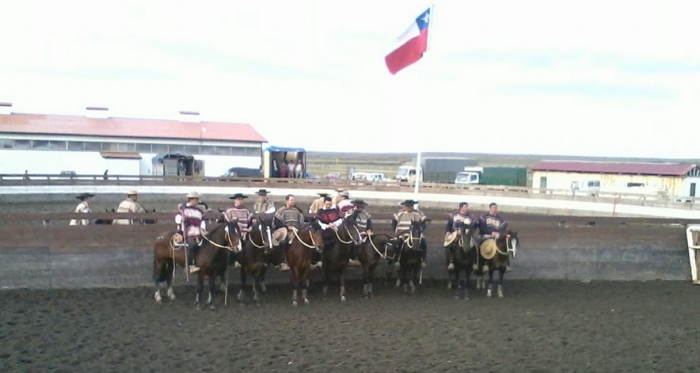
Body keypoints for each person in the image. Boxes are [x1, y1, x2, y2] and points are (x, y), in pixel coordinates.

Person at [271, 194, 306, 271]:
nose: (293, 201)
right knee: (283, 243)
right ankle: (283, 262)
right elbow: (276, 223)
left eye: (294, 200)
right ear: (287, 201)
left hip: (296, 231)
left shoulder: (297, 211)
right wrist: (287, 227)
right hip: (285, 232)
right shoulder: (281, 211)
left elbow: (301, 221)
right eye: (291, 200)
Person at [175, 191, 207, 274]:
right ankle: (189, 266)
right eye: (197, 199)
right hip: (189, 233)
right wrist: (180, 230)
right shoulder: (184, 209)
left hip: (198, 233)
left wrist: (203, 229)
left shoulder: (199, 211)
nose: (198, 201)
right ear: (192, 200)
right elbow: (178, 219)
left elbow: (202, 221)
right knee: (192, 245)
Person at [391, 199, 428, 268]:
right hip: (402, 233)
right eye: (407, 206)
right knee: (396, 244)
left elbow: (423, 223)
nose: (409, 208)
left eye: (410, 206)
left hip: (416, 234)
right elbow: (394, 223)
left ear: (413, 206)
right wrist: (397, 232)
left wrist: (420, 230)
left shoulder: (419, 213)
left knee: (423, 243)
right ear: (405, 206)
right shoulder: (399, 213)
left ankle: (423, 260)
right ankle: (397, 260)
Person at [444, 202, 477, 271]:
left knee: (474, 246)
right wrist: (447, 232)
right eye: (465, 207)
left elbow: (475, 223)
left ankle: (474, 262)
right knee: (450, 245)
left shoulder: (471, 216)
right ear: (461, 207)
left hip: (466, 234)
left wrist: (472, 229)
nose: (466, 208)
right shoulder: (453, 215)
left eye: (467, 207)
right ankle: (451, 261)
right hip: (455, 233)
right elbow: (449, 225)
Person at [478, 202, 510, 272]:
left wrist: (498, 233)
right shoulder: (484, 217)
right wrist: (491, 232)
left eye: (495, 208)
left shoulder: (501, 219)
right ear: (489, 208)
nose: (494, 209)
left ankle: (507, 263)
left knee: (506, 243)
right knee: (482, 244)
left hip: (497, 235)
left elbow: (503, 227)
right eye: (493, 208)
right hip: (487, 235)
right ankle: (484, 263)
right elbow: (482, 228)